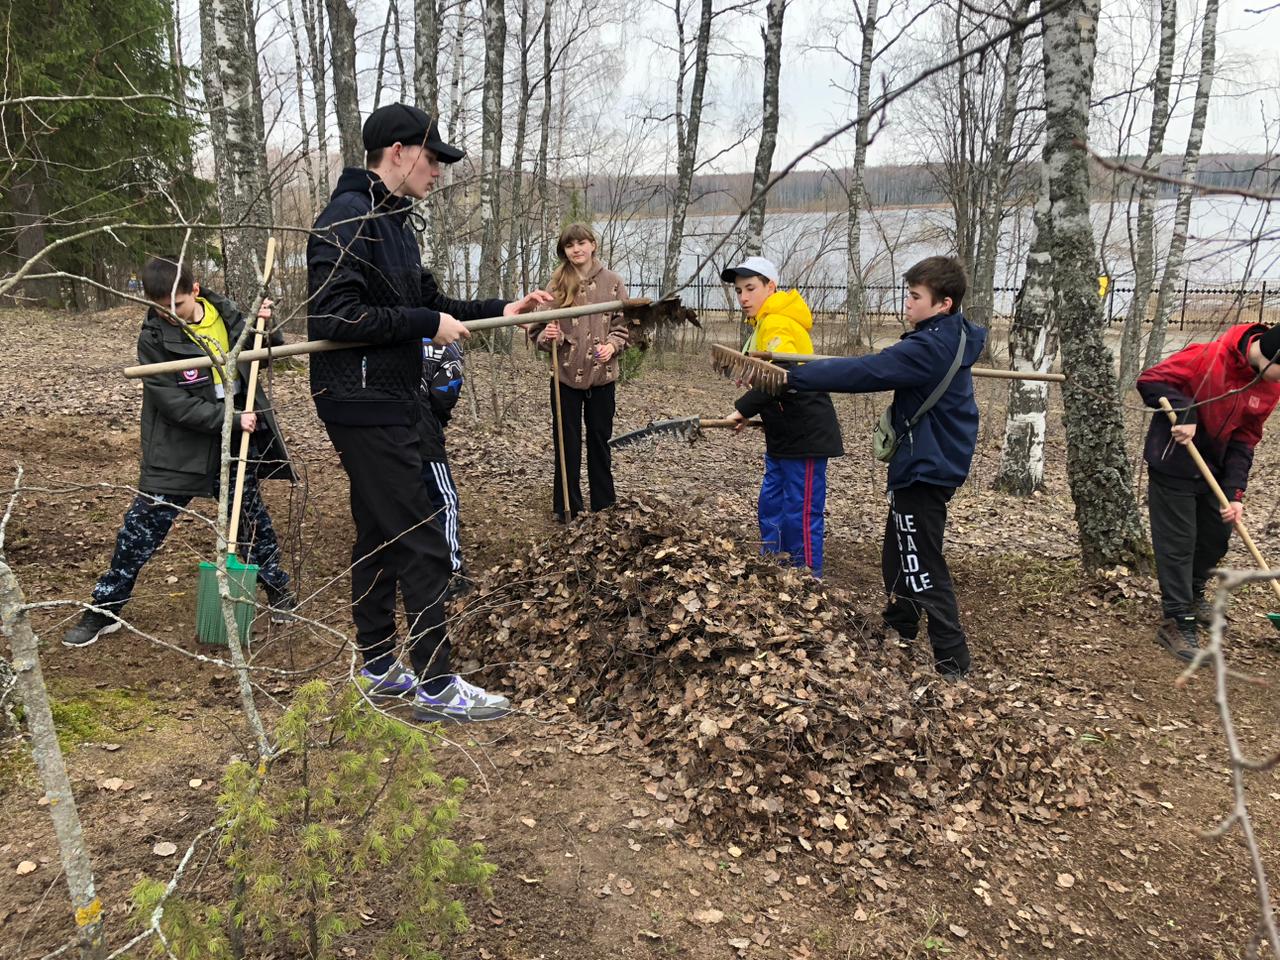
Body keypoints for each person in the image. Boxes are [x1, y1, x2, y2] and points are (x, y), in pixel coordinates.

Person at [307, 102, 550, 722]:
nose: (439, 170)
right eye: (433, 157)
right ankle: (437, 682)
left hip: (390, 395)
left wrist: (502, 309)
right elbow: (333, 318)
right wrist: (424, 324)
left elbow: (430, 301)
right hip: (361, 400)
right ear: (399, 153)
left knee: (379, 531)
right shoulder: (347, 219)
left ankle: (380, 667)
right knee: (421, 537)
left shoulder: (393, 220)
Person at [63, 255, 296, 648]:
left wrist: (265, 326)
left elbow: (265, 349)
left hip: (237, 439)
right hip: (177, 449)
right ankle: (103, 610)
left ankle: (279, 593)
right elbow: (173, 404)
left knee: (252, 523)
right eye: (161, 308)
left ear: (196, 290)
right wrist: (230, 418)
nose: (171, 315)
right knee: (139, 532)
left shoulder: (227, 315)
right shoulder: (153, 339)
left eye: (178, 305)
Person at [786, 255, 985, 679]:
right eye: (907, 294)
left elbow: (867, 371)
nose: (907, 305)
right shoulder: (952, 334)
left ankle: (953, 662)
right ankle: (900, 627)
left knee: (921, 559)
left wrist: (794, 377)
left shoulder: (930, 346)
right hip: (930, 459)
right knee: (899, 549)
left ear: (943, 303)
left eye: (915, 297)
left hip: (926, 465)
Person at [1136, 323, 1280, 661]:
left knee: (1216, 536)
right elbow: (1149, 380)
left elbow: (1245, 440)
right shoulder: (1208, 356)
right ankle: (1175, 620)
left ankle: (1194, 594)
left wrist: (1234, 494)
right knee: (1179, 544)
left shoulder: (1270, 387)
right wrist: (1184, 410)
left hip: (1214, 468)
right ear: (1274, 355)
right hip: (1175, 462)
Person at [721, 256, 844, 578]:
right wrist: (752, 411)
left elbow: (781, 374)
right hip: (782, 431)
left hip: (804, 431)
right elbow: (768, 379)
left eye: (750, 288)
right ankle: (772, 567)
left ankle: (806, 577)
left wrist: (743, 408)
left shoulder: (777, 321)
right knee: (772, 503)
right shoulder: (763, 323)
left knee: (799, 511)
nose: (744, 297)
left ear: (770, 287)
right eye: (738, 291)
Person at [526, 223, 629, 521]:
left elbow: (626, 326)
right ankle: (567, 507)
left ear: (593, 245)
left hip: (602, 377)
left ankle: (604, 507)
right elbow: (537, 331)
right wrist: (550, 336)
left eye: (582, 243)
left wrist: (612, 345)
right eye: (570, 246)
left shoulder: (613, 282)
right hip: (565, 377)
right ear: (564, 250)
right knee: (566, 443)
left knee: (600, 440)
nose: (577, 249)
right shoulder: (556, 284)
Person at [419, 336, 470, 598]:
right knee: (445, 499)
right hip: (421, 425)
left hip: (377, 427)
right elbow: (445, 391)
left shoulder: (390, 323)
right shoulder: (447, 340)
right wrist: (437, 420)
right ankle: (451, 570)